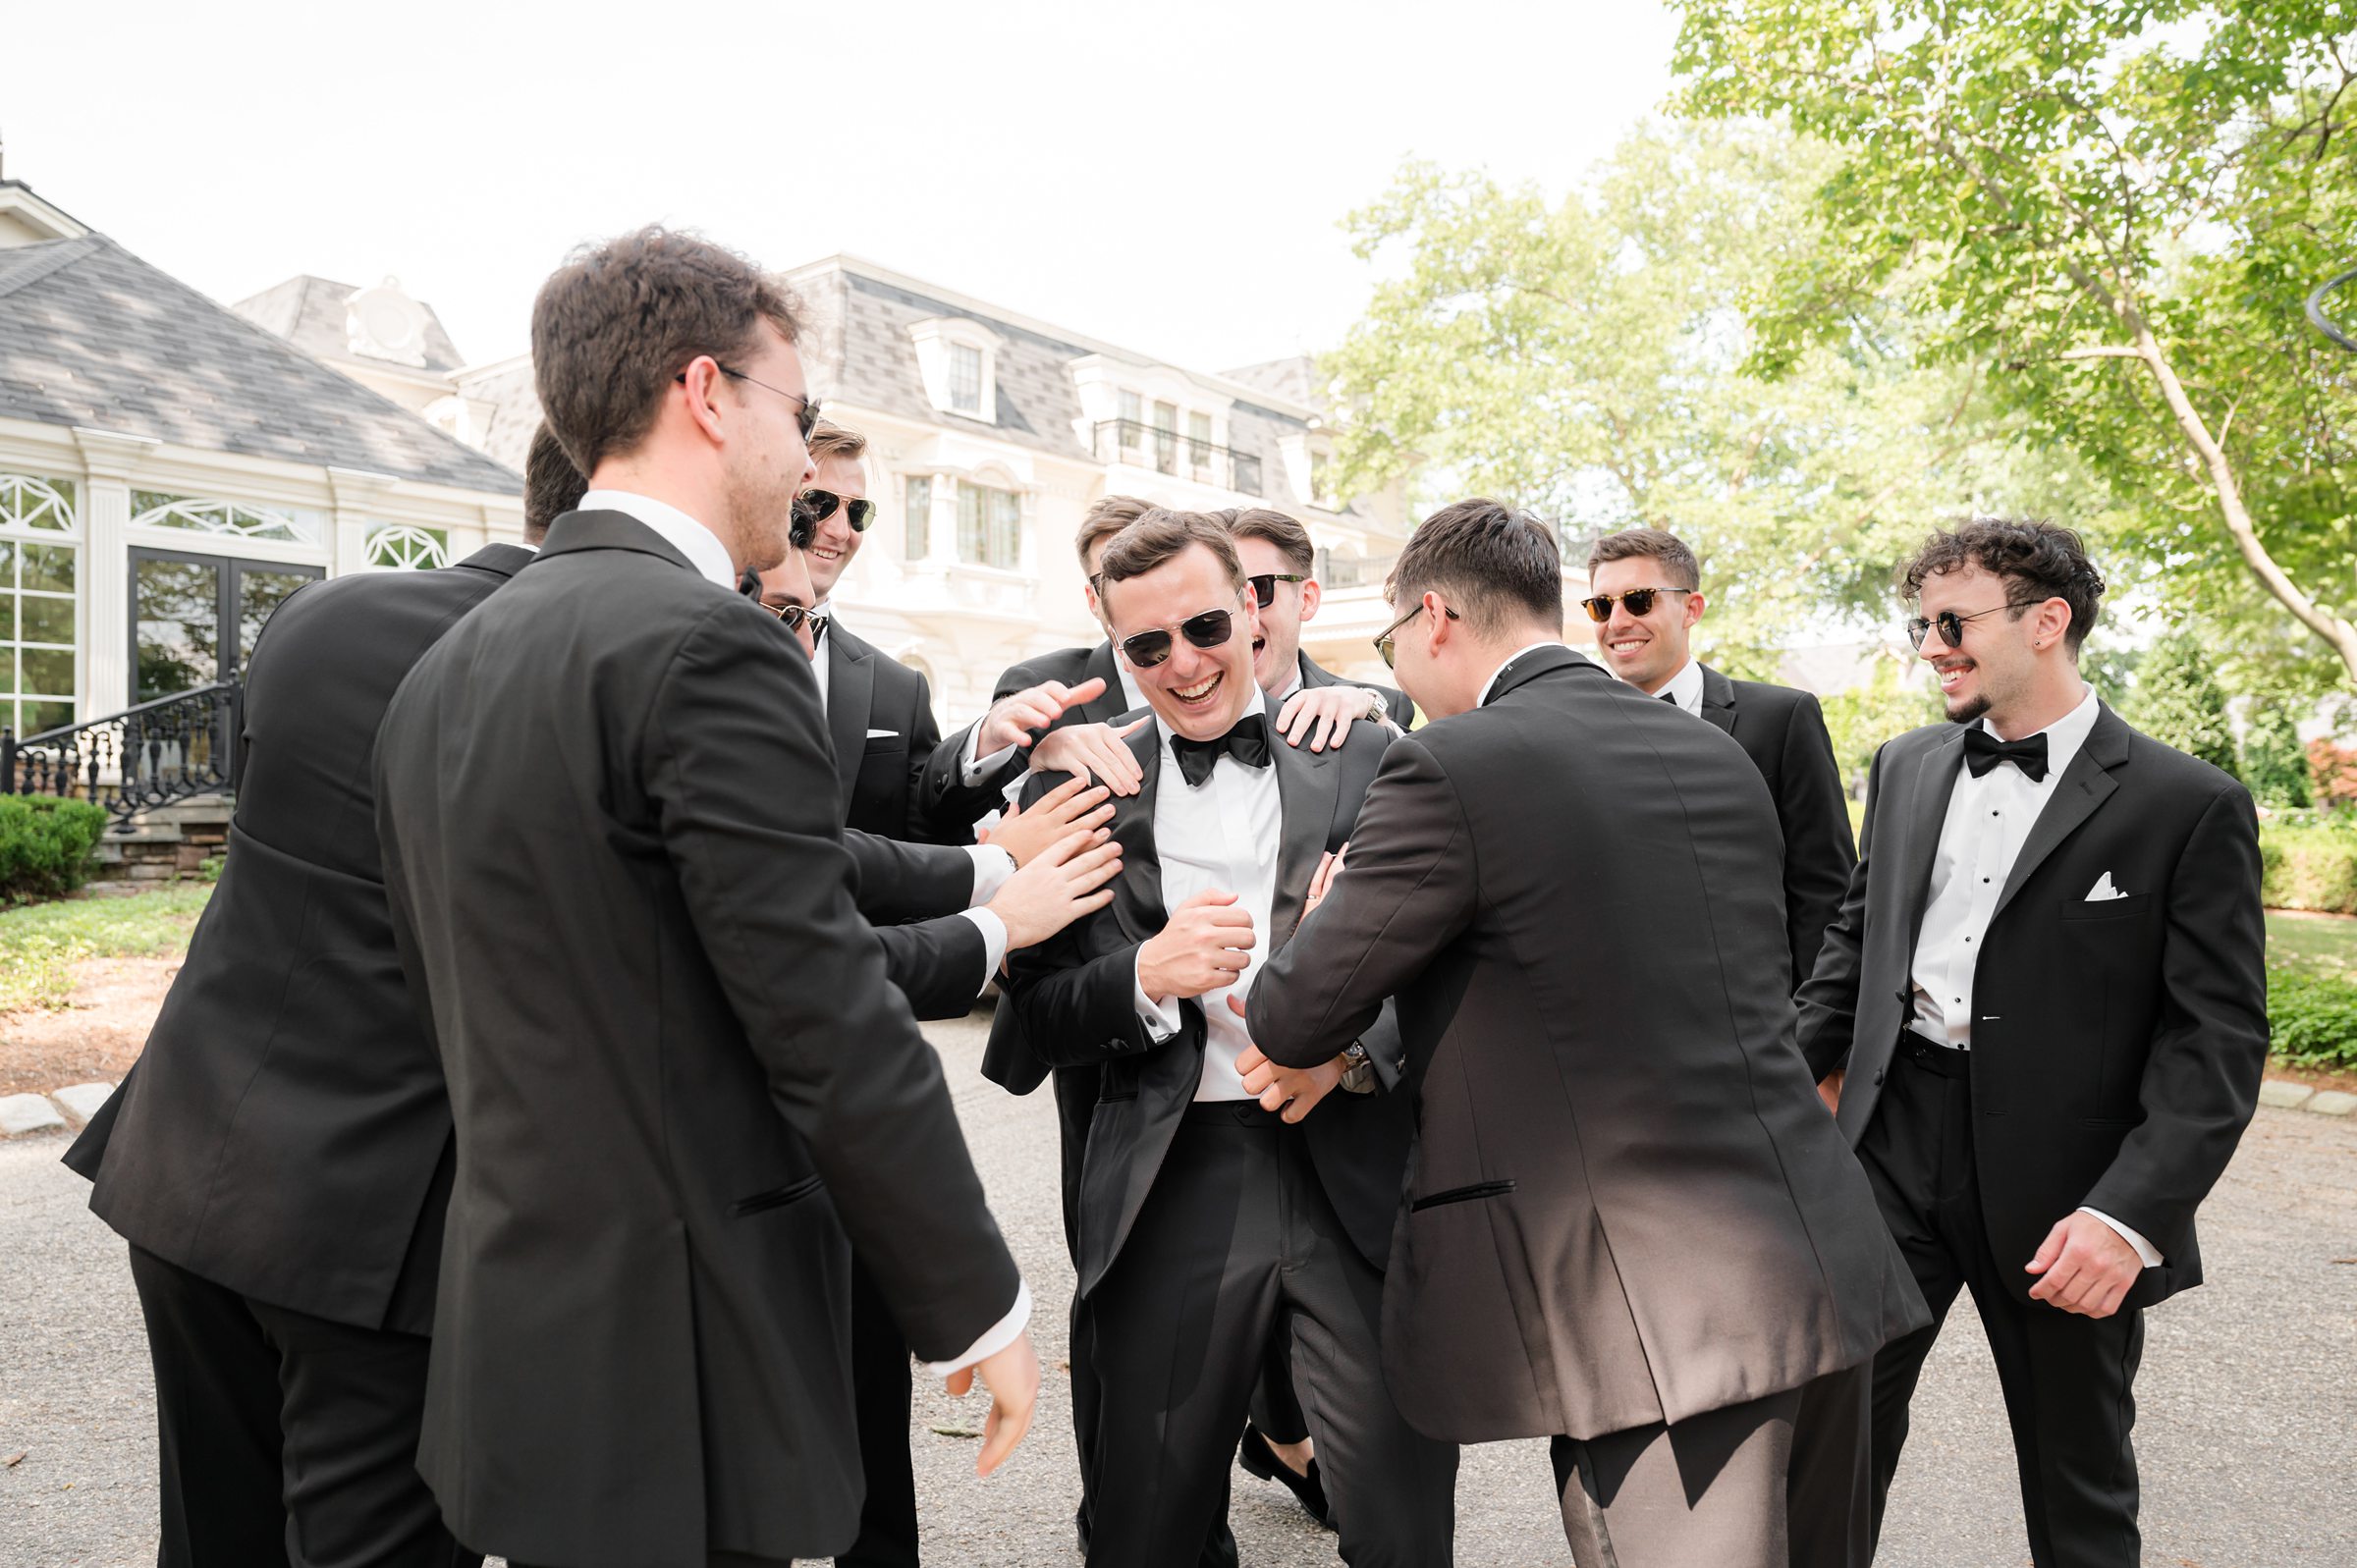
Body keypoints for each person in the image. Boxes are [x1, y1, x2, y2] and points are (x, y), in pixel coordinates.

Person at [373, 227, 1037, 1568]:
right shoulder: (703, 646)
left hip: (523, 1342)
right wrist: (976, 1298)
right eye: (796, 415)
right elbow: (823, 1011)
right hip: (679, 1358)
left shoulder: (447, 668)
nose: (806, 464)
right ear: (706, 392)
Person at [1244, 499, 1927, 1568]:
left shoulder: (1451, 765)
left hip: (1649, 1311)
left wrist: (1335, 907)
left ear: (1434, 618)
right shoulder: (1714, 756)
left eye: (1390, 645)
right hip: (1817, 1256)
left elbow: (1293, 1016)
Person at [56, 423, 575, 1568]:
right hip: (381, 1228)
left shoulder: (324, 615)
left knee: (212, 1540)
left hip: (193, 1162)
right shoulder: (599, 668)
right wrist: (986, 898)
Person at [1795, 518, 2267, 1568]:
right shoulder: (1908, 765)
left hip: (2070, 1185)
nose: (1931, 647)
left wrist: (2129, 1216)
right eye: (1923, 625)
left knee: (2078, 1482)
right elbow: (1849, 960)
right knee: (1828, 1444)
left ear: (2047, 621)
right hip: (1890, 1147)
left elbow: (2217, 1039)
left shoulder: (2186, 804)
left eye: (1953, 623)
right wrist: (1762, 1111)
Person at [1002, 510, 1457, 1568]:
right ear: (1115, 648)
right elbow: (1030, 1019)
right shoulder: (1078, 785)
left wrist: (1346, 1051)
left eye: (1203, 626)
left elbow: (1446, 961)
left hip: (1350, 1171)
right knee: (1146, 1526)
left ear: (1255, 607)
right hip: (1174, 1180)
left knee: (1399, 1523)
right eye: (1146, 646)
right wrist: (1141, 977)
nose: (1184, 664)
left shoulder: (1370, 755)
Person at [754, 536, 1118, 1568]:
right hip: (734, 1101)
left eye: (862, 506)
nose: (839, 524)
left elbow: (898, 825)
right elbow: (798, 884)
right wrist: (1001, 898)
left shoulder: (887, 678)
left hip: (854, 1080)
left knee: (871, 1385)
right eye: (822, 498)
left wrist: (984, 763)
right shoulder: (683, 670)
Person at [1583, 526, 1854, 989]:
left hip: (1757, 1024)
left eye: (1639, 600)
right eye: (1602, 606)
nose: (1618, 621)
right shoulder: (1575, 731)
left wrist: (1819, 1040)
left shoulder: (1781, 719)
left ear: (1692, 609)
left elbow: (1825, 892)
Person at [793, 420, 952, 842]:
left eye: (856, 512)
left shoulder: (901, 691)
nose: (841, 531)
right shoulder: (693, 641)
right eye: (819, 503)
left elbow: (930, 843)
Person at [1227, 506, 1414, 742]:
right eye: (1221, 599)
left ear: (1306, 600)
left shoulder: (1375, 714)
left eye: (1260, 590)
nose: (1244, 617)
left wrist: (1374, 717)